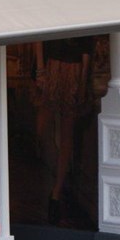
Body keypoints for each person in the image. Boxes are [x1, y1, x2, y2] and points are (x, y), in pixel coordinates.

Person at [35, 37, 95, 225]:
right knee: (43, 129)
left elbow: (86, 46)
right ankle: (55, 179)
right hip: (52, 65)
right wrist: (40, 69)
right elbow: (39, 35)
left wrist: (83, 82)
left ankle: (56, 191)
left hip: (73, 67)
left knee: (66, 135)